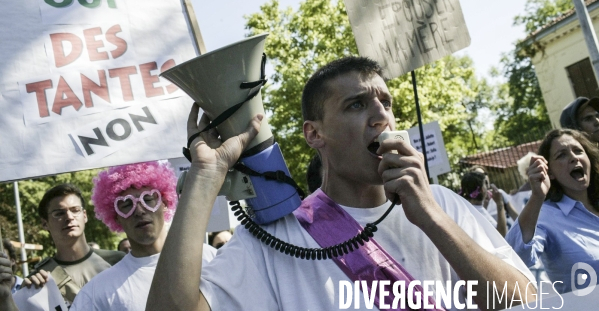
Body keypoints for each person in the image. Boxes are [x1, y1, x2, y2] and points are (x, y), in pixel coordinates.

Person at [148, 57, 535, 310]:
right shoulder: (275, 239)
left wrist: (431, 216)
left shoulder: (443, 205)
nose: (381, 115)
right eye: (356, 104)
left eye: (386, 102)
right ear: (314, 134)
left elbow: (526, 301)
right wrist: (205, 178)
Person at [70, 161, 216, 311]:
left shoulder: (208, 258)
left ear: (165, 203)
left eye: (148, 199)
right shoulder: (97, 293)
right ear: (116, 217)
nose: (139, 210)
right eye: (126, 205)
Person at [506, 129, 599, 294]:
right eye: (561, 155)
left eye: (578, 151)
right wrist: (537, 197)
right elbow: (515, 257)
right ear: (550, 172)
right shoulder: (545, 216)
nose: (573, 157)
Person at [22, 183, 124, 306]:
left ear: (84, 216)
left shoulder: (118, 261)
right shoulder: (39, 280)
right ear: (44, 224)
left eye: (75, 210)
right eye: (59, 213)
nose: (69, 217)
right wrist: (25, 297)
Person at [459, 171, 508, 237]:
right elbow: (501, 235)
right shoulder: (478, 210)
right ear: (482, 189)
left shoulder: (464, 209)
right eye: (486, 183)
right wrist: (499, 203)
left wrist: (484, 206)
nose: (488, 187)